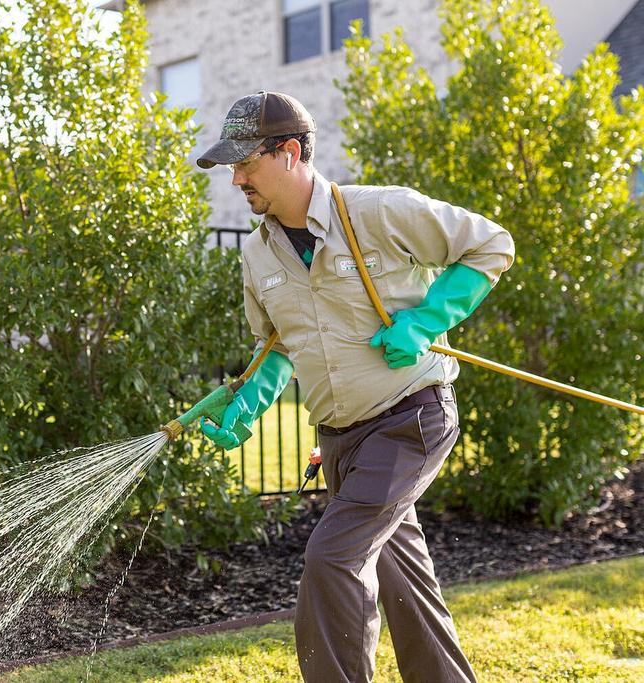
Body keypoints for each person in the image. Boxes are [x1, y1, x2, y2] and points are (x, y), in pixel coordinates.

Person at [196, 91, 515, 683]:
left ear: (290, 152)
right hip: (340, 439)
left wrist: (425, 321)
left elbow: (490, 244)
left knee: (332, 558)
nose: (236, 179)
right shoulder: (257, 254)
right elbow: (277, 346)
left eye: (246, 163)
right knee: (403, 579)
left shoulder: (378, 212)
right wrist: (247, 405)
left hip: (409, 418)